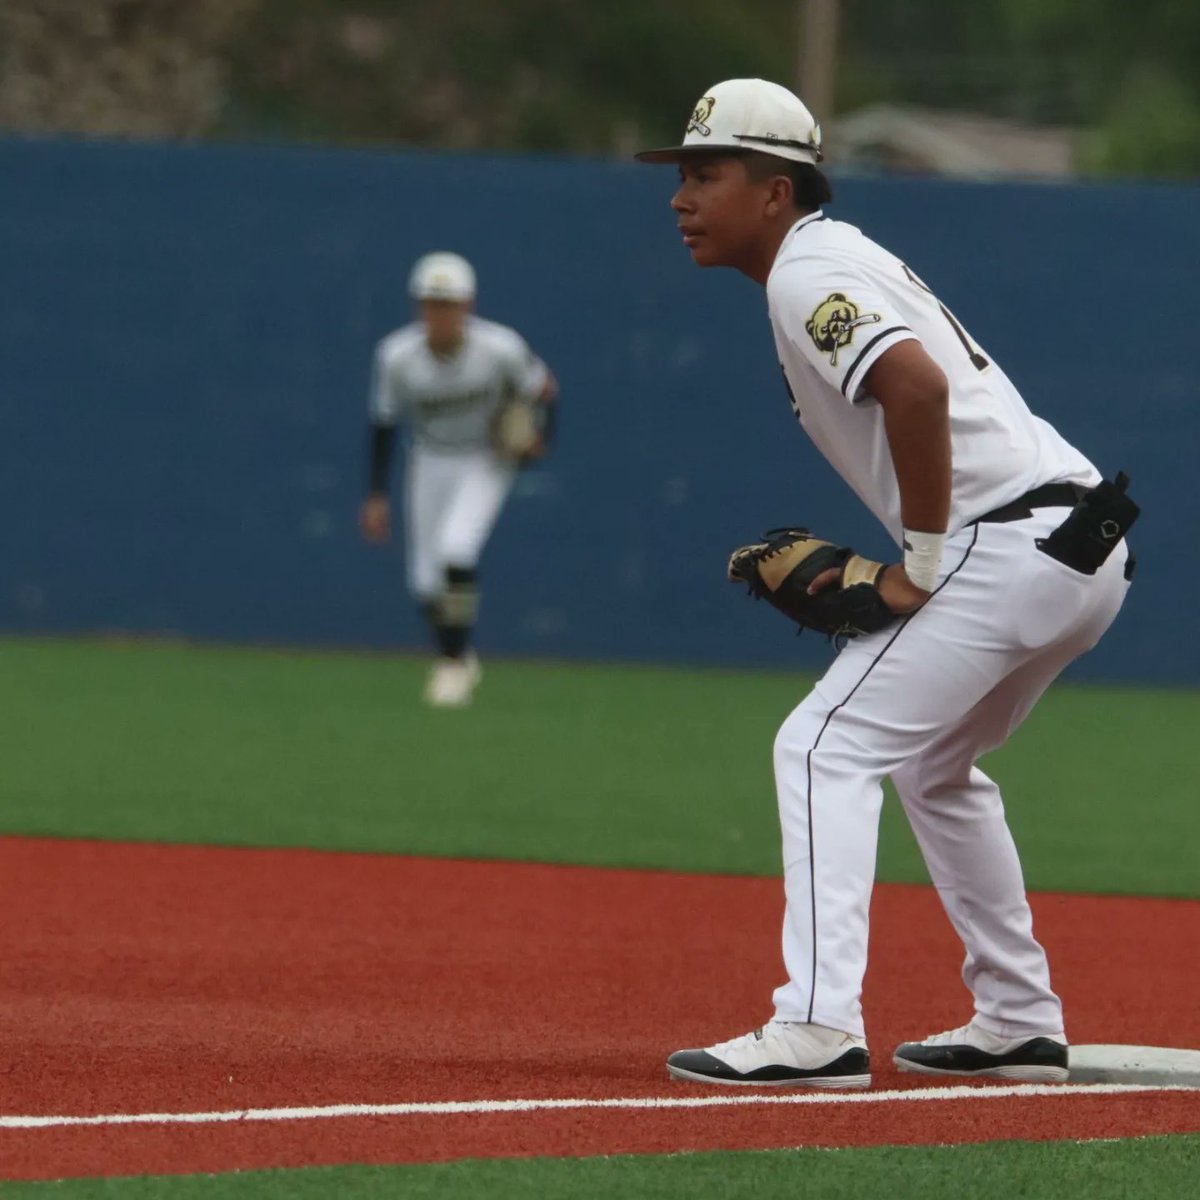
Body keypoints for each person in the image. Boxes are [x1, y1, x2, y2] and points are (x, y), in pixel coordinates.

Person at [636, 79, 1134, 1088]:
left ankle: (816, 1027)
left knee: (824, 745)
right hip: (1080, 542)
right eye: (682, 176)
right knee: (934, 767)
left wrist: (919, 565)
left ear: (775, 191)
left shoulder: (805, 273)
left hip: (1006, 543)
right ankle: (1017, 1018)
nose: (681, 197)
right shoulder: (834, 257)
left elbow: (915, 386)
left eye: (705, 174)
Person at [360, 251, 557, 707]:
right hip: (429, 458)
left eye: (448, 303)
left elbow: (544, 389)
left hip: (486, 456)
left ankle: (450, 667)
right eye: (431, 303)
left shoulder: (500, 347)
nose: (440, 313)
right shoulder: (397, 356)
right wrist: (374, 495)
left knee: (457, 548)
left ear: (467, 306)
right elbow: (384, 424)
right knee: (425, 584)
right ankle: (459, 653)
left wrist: (540, 435)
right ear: (418, 306)